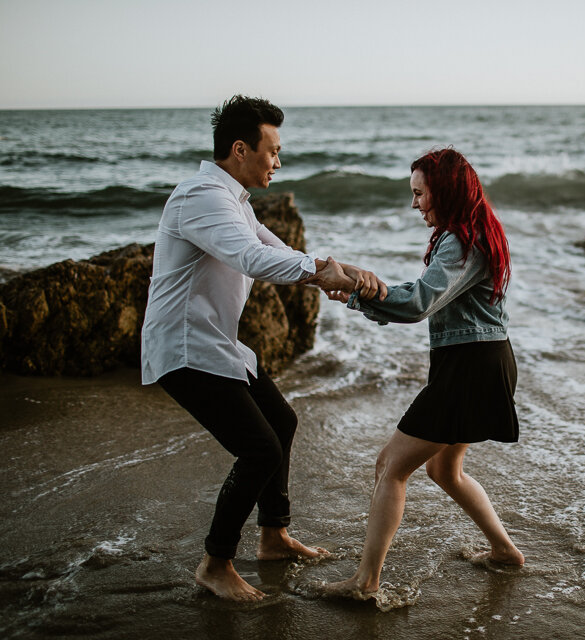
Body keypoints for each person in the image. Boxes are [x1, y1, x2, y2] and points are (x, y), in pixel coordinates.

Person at [140, 95, 386, 602]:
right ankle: (215, 563)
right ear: (239, 149)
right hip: (183, 349)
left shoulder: (232, 200)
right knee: (259, 449)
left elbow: (278, 251)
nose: (278, 161)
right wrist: (322, 273)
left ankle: (273, 537)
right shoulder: (201, 197)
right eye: (272, 150)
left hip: (215, 344)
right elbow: (250, 257)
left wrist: (338, 275)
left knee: (283, 423)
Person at [319, 148, 524, 600]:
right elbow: (420, 295)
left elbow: (417, 303)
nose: (415, 204)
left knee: (390, 466)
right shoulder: (474, 232)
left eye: (419, 194)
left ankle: (365, 582)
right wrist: (356, 289)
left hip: (469, 368)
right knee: (444, 470)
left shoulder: (460, 240)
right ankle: (505, 552)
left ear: (443, 191)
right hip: (479, 361)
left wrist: (354, 284)